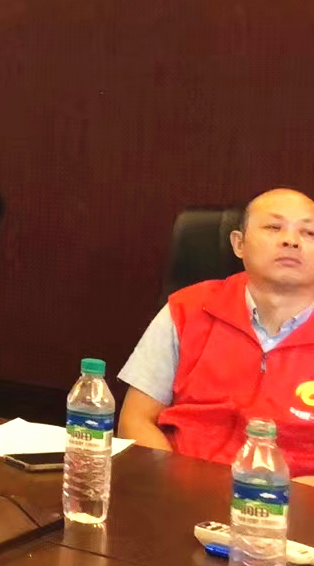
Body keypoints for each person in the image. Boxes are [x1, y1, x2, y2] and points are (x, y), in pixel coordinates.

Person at [119, 187, 314, 482]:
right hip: (181, 490)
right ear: (239, 244)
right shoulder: (187, 310)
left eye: (309, 233)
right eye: (274, 227)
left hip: (295, 501)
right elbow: (135, 419)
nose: (291, 240)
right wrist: (175, 486)